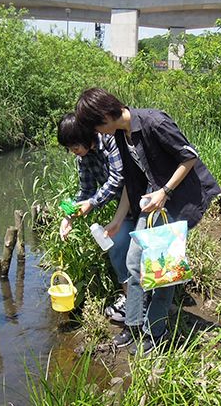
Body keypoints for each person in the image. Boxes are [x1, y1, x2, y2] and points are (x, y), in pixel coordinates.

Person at [75, 88, 220, 355]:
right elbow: (133, 182)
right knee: (134, 262)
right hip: (152, 199)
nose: (98, 133)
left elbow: (189, 156)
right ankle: (133, 326)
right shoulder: (120, 134)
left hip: (180, 198)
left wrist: (166, 191)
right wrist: (118, 221)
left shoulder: (155, 122)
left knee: (162, 270)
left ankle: (156, 332)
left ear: (107, 114)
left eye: (96, 125)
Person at [56, 113, 134, 322]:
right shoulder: (84, 158)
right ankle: (130, 298)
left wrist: (93, 203)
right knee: (116, 246)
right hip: (124, 208)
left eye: (74, 146)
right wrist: (68, 216)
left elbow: (119, 177)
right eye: (70, 149)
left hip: (144, 198)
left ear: (84, 135)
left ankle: (162, 299)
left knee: (148, 249)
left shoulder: (109, 139)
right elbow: (85, 190)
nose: (74, 152)